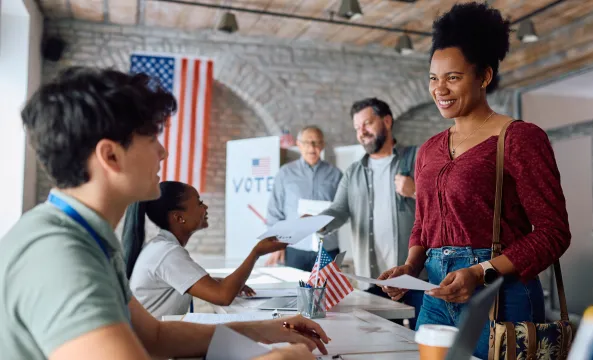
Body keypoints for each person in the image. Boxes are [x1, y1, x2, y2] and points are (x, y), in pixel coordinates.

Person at [0, 66, 329, 360]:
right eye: (151, 137)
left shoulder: (87, 239)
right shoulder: (58, 255)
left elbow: (155, 336)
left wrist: (272, 329)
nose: (163, 151)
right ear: (111, 156)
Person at [378, 3, 571, 359]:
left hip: (500, 292)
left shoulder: (518, 138)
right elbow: (424, 224)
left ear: (483, 76)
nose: (440, 89)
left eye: (453, 77)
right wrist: (410, 266)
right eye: (434, 78)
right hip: (436, 292)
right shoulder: (429, 149)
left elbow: (553, 232)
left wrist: (481, 271)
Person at [318, 97, 424, 330]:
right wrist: (317, 223)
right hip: (373, 278)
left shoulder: (418, 158)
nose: (361, 132)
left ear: (387, 121)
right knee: (380, 341)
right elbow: (339, 209)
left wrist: (415, 190)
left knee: (421, 341)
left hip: (415, 275)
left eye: (367, 124)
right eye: (357, 128)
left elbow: (441, 203)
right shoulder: (353, 171)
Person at [124, 181, 289, 318]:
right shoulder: (167, 253)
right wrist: (256, 253)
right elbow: (223, 296)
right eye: (199, 202)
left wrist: (218, 281)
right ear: (178, 217)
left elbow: (186, 280)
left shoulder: (161, 247)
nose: (206, 207)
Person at [265, 126, 342, 271]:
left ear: (323, 145)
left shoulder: (336, 175)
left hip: (327, 249)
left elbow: (343, 210)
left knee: (328, 292)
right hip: (294, 249)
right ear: (298, 144)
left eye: (317, 143)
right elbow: (274, 212)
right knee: (293, 292)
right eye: (307, 143)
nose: (312, 148)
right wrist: (276, 244)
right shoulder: (285, 173)